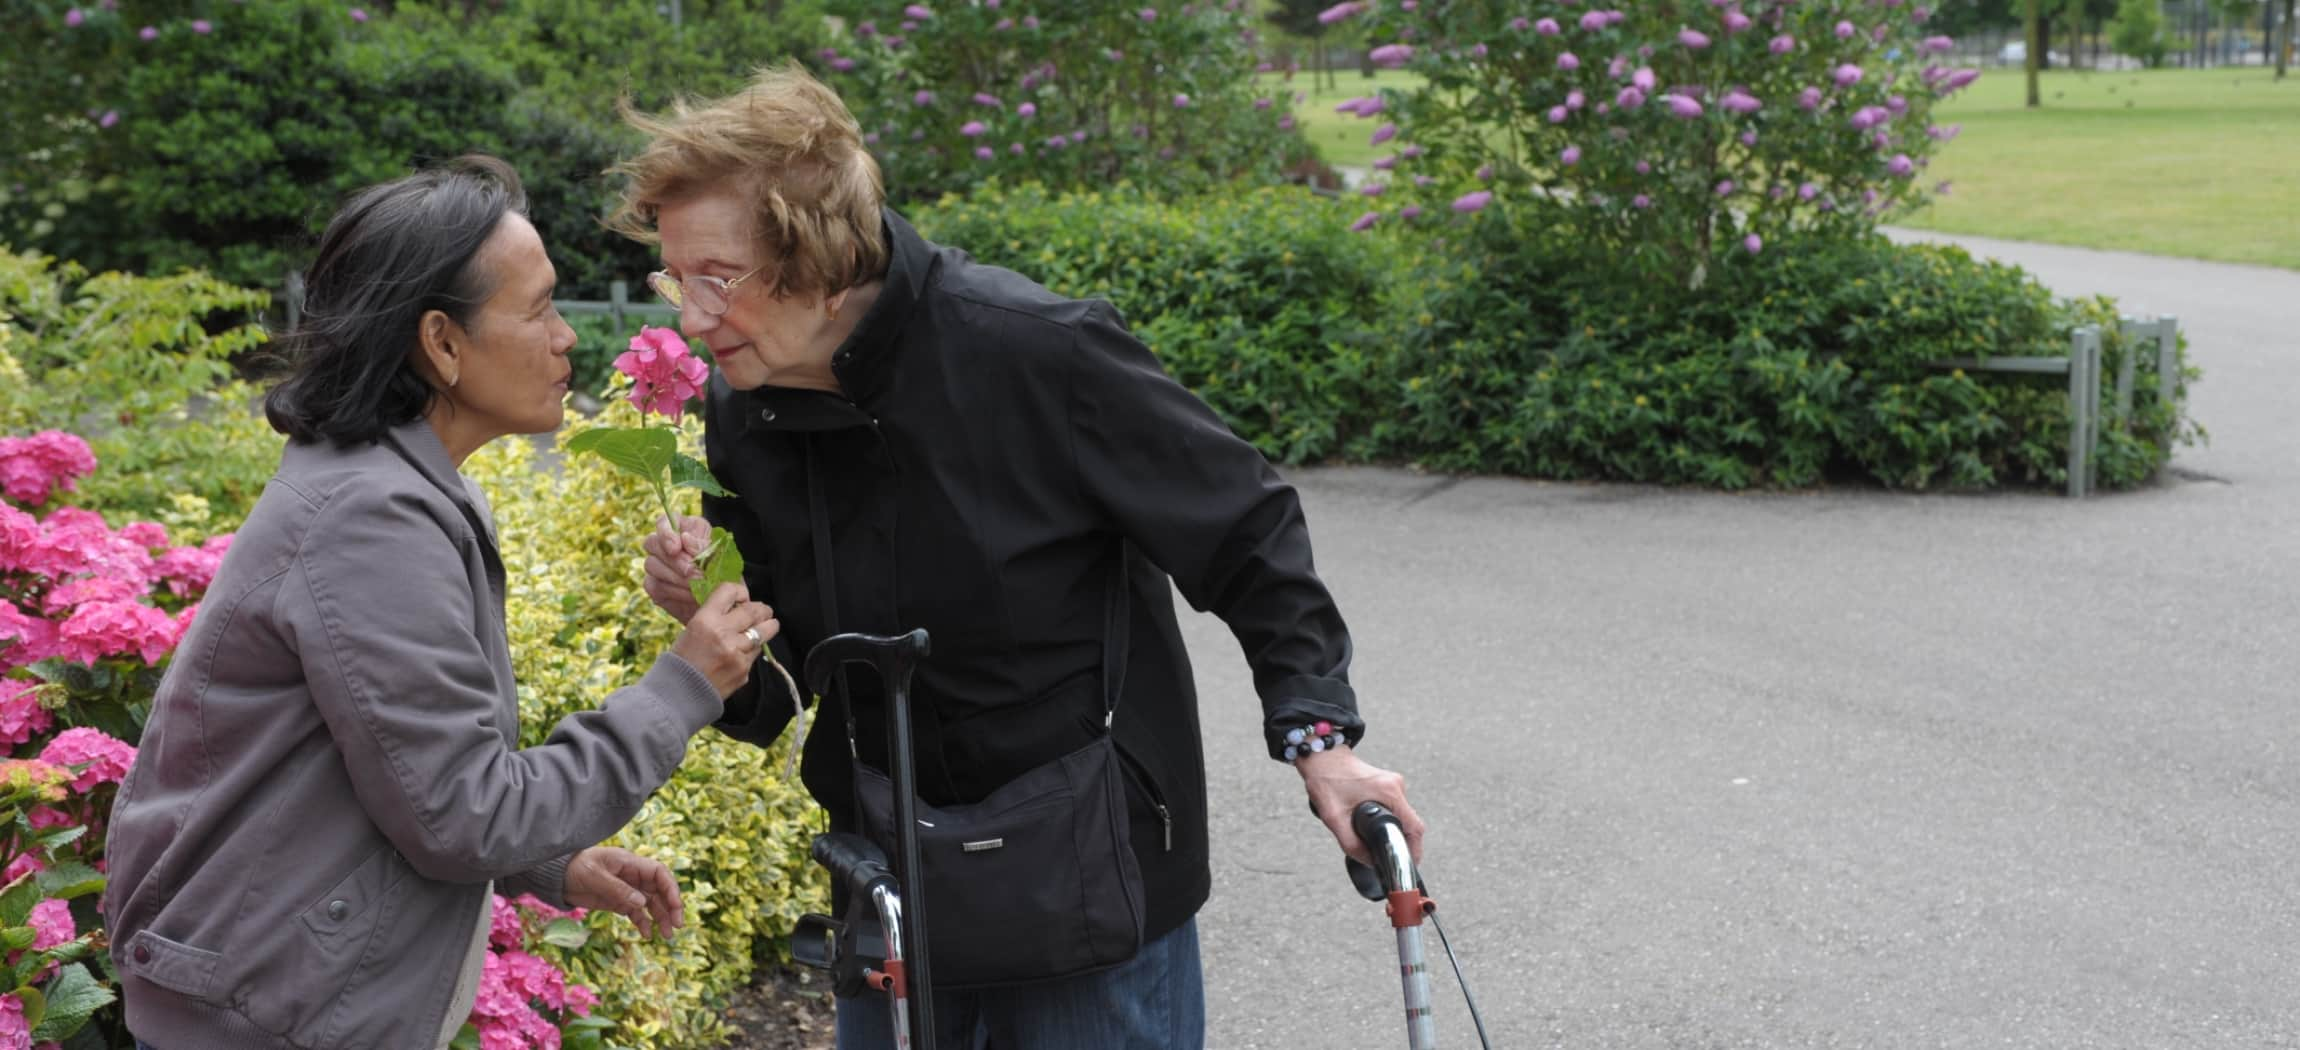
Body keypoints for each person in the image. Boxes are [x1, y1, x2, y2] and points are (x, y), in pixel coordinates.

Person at [612, 65, 1424, 1049]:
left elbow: (1244, 533)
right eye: (675, 277)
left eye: (716, 278)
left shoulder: (1039, 353)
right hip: (892, 874)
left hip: (1083, 875)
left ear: (818, 261)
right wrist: (712, 624)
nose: (688, 318)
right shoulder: (750, 410)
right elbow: (784, 684)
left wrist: (1318, 740)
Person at [100, 156, 782, 1050]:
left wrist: (549, 862)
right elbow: (464, 813)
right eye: (537, 309)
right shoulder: (371, 516)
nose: (566, 337)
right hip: (266, 1017)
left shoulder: (394, 484)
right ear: (442, 343)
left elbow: (392, 765)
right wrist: (684, 685)